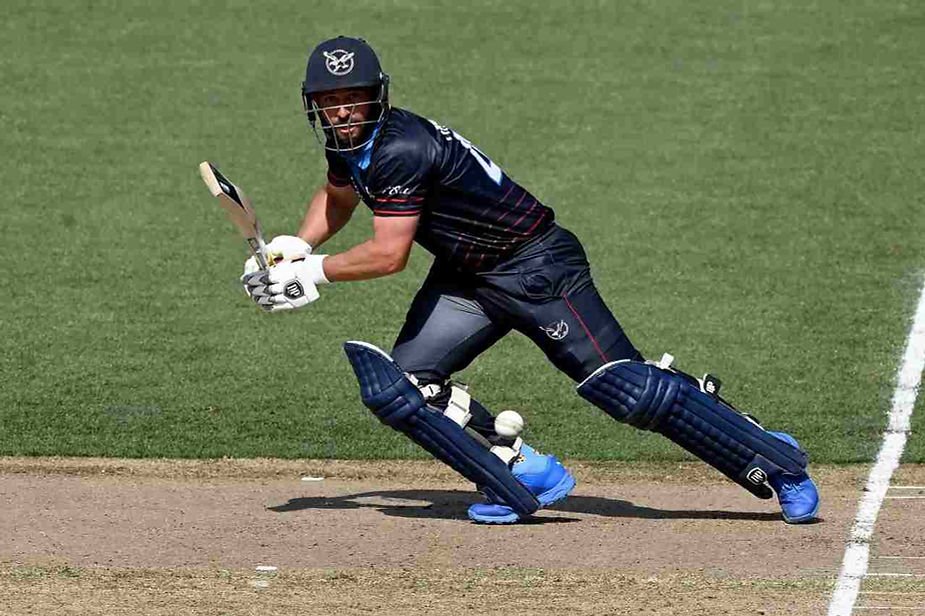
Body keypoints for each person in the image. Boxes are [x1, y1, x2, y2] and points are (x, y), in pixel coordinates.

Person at [242, 36, 820, 525]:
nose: (341, 112)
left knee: (626, 391)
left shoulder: (400, 148)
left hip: (537, 267)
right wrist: (295, 245)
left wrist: (310, 273)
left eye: (352, 99)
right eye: (329, 101)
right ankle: (525, 470)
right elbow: (337, 196)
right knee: (406, 388)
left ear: (376, 97)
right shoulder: (352, 143)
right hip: (470, 275)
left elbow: (389, 254)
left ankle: (773, 458)